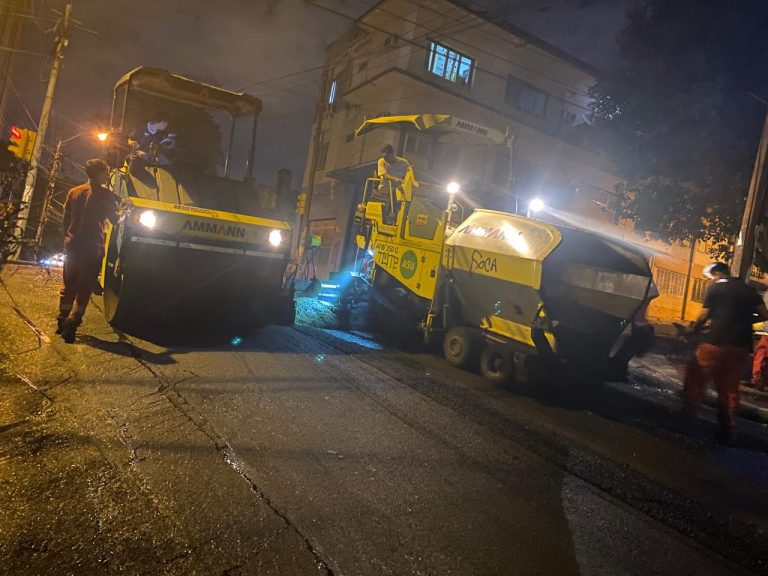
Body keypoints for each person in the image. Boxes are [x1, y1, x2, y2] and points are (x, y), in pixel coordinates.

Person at [682, 262, 768, 443]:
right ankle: (728, 433)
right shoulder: (749, 290)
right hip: (741, 347)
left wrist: (693, 330)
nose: (710, 280)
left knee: (695, 379)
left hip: (715, 342)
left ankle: (687, 423)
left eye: (710, 277)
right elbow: (764, 314)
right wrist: (744, 321)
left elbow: (703, 316)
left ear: (718, 273)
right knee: (729, 390)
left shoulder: (716, 287)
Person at [57, 159, 118, 343]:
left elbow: (65, 220)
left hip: (73, 247)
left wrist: (68, 239)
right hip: (92, 249)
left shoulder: (73, 192)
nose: (108, 175)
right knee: (84, 290)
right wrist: (123, 215)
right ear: (99, 173)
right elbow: (115, 220)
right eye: (106, 172)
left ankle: (61, 321)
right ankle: (72, 324)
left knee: (68, 286)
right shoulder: (106, 196)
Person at [375, 144, 412, 221]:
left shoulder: (403, 163)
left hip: (400, 187)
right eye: (384, 157)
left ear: (392, 154)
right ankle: (389, 216)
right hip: (385, 187)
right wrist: (395, 179)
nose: (386, 159)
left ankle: (406, 217)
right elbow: (384, 175)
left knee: (408, 195)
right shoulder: (381, 161)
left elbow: (411, 172)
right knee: (394, 191)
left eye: (387, 157)